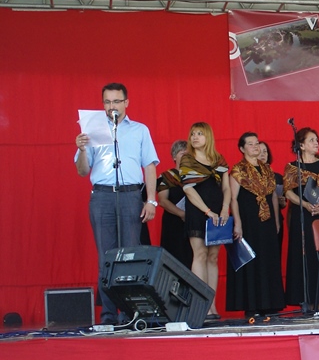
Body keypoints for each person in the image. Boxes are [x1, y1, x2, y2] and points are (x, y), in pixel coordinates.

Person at [74, 82, 159, 325]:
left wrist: (150, 200)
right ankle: (108, 315)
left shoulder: (139, 130)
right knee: (106, 256)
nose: (112, 106)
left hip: (131, 195)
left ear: (126, 103)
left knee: (129, 256)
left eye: (116, 101)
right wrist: (82, 150)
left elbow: (149, 166)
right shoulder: (92, 131)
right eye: (107, 102)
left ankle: (129, 313)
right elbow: (82, 171)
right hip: (102, 196)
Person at [228, 132, 286, 318]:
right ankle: (251, 305)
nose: (255, 147)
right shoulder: (238, 170)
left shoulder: (267, 169)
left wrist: (276, 221)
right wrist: (237, 223)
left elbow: (273, 196)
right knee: (251, 261)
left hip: (267, 220)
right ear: (242, 148)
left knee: (268, 259)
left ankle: (269, 304)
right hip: (248, 220)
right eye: (250, 144)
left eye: (257, 143)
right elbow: (233, 199)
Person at [180, 122, 230, 320]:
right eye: (192, 134)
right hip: (199, 211)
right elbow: (188, 190)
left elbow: (226, 188)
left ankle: (212, 305)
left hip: (218, 213)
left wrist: (224, 208)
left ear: (208, 136)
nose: (195, 137)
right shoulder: (187, 159)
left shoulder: (219, 160)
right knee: (200, 254)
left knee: (213, 257)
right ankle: (201, 306)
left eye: (199, 133)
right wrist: (207, 211)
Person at [284, 127, 319, 308]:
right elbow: (288, 192)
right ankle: (304, 298)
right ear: (301, 145)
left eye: (317, 140)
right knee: (302, 255)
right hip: (302, 216)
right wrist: (305, 204)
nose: (316, 143)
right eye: (311, 140)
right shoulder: (292, 167)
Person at [157, 140, 192, 269]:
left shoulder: (196, 176)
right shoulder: (165, 176)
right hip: (173, 223)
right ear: (174, 156)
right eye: (182, 154)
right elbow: (162, 201)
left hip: (192, 223)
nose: (186, 157)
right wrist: (181, 214)